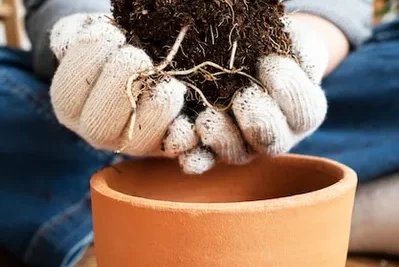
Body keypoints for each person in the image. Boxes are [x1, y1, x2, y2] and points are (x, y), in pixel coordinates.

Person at [0, 0, 397, 267]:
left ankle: (128, 222)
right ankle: (311, 210)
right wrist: (79, 50)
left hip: (281, 82)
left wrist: (310, 43)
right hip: (121, 73)